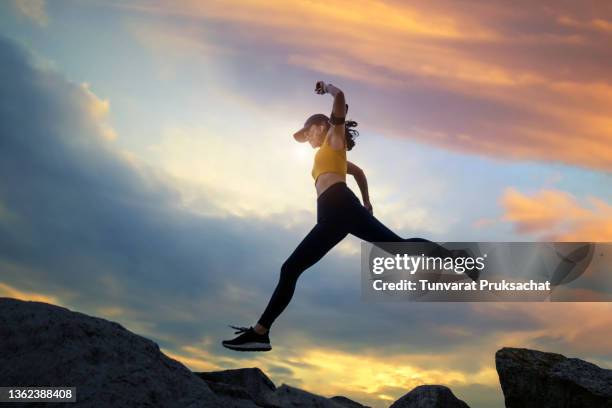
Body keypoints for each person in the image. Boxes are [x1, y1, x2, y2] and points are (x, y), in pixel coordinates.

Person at [222, 81, 467, 352]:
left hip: (339, 206)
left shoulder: (333, 138)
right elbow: (359, 172)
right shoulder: (331, 154)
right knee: (396, 248)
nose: (307, 139)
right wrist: (367, 202)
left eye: (307, 133)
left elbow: (340, 96)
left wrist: (327, 88)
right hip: (335, 214)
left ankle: (260, 332)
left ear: (321, 126)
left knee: (291, 269)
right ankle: (455, 257)